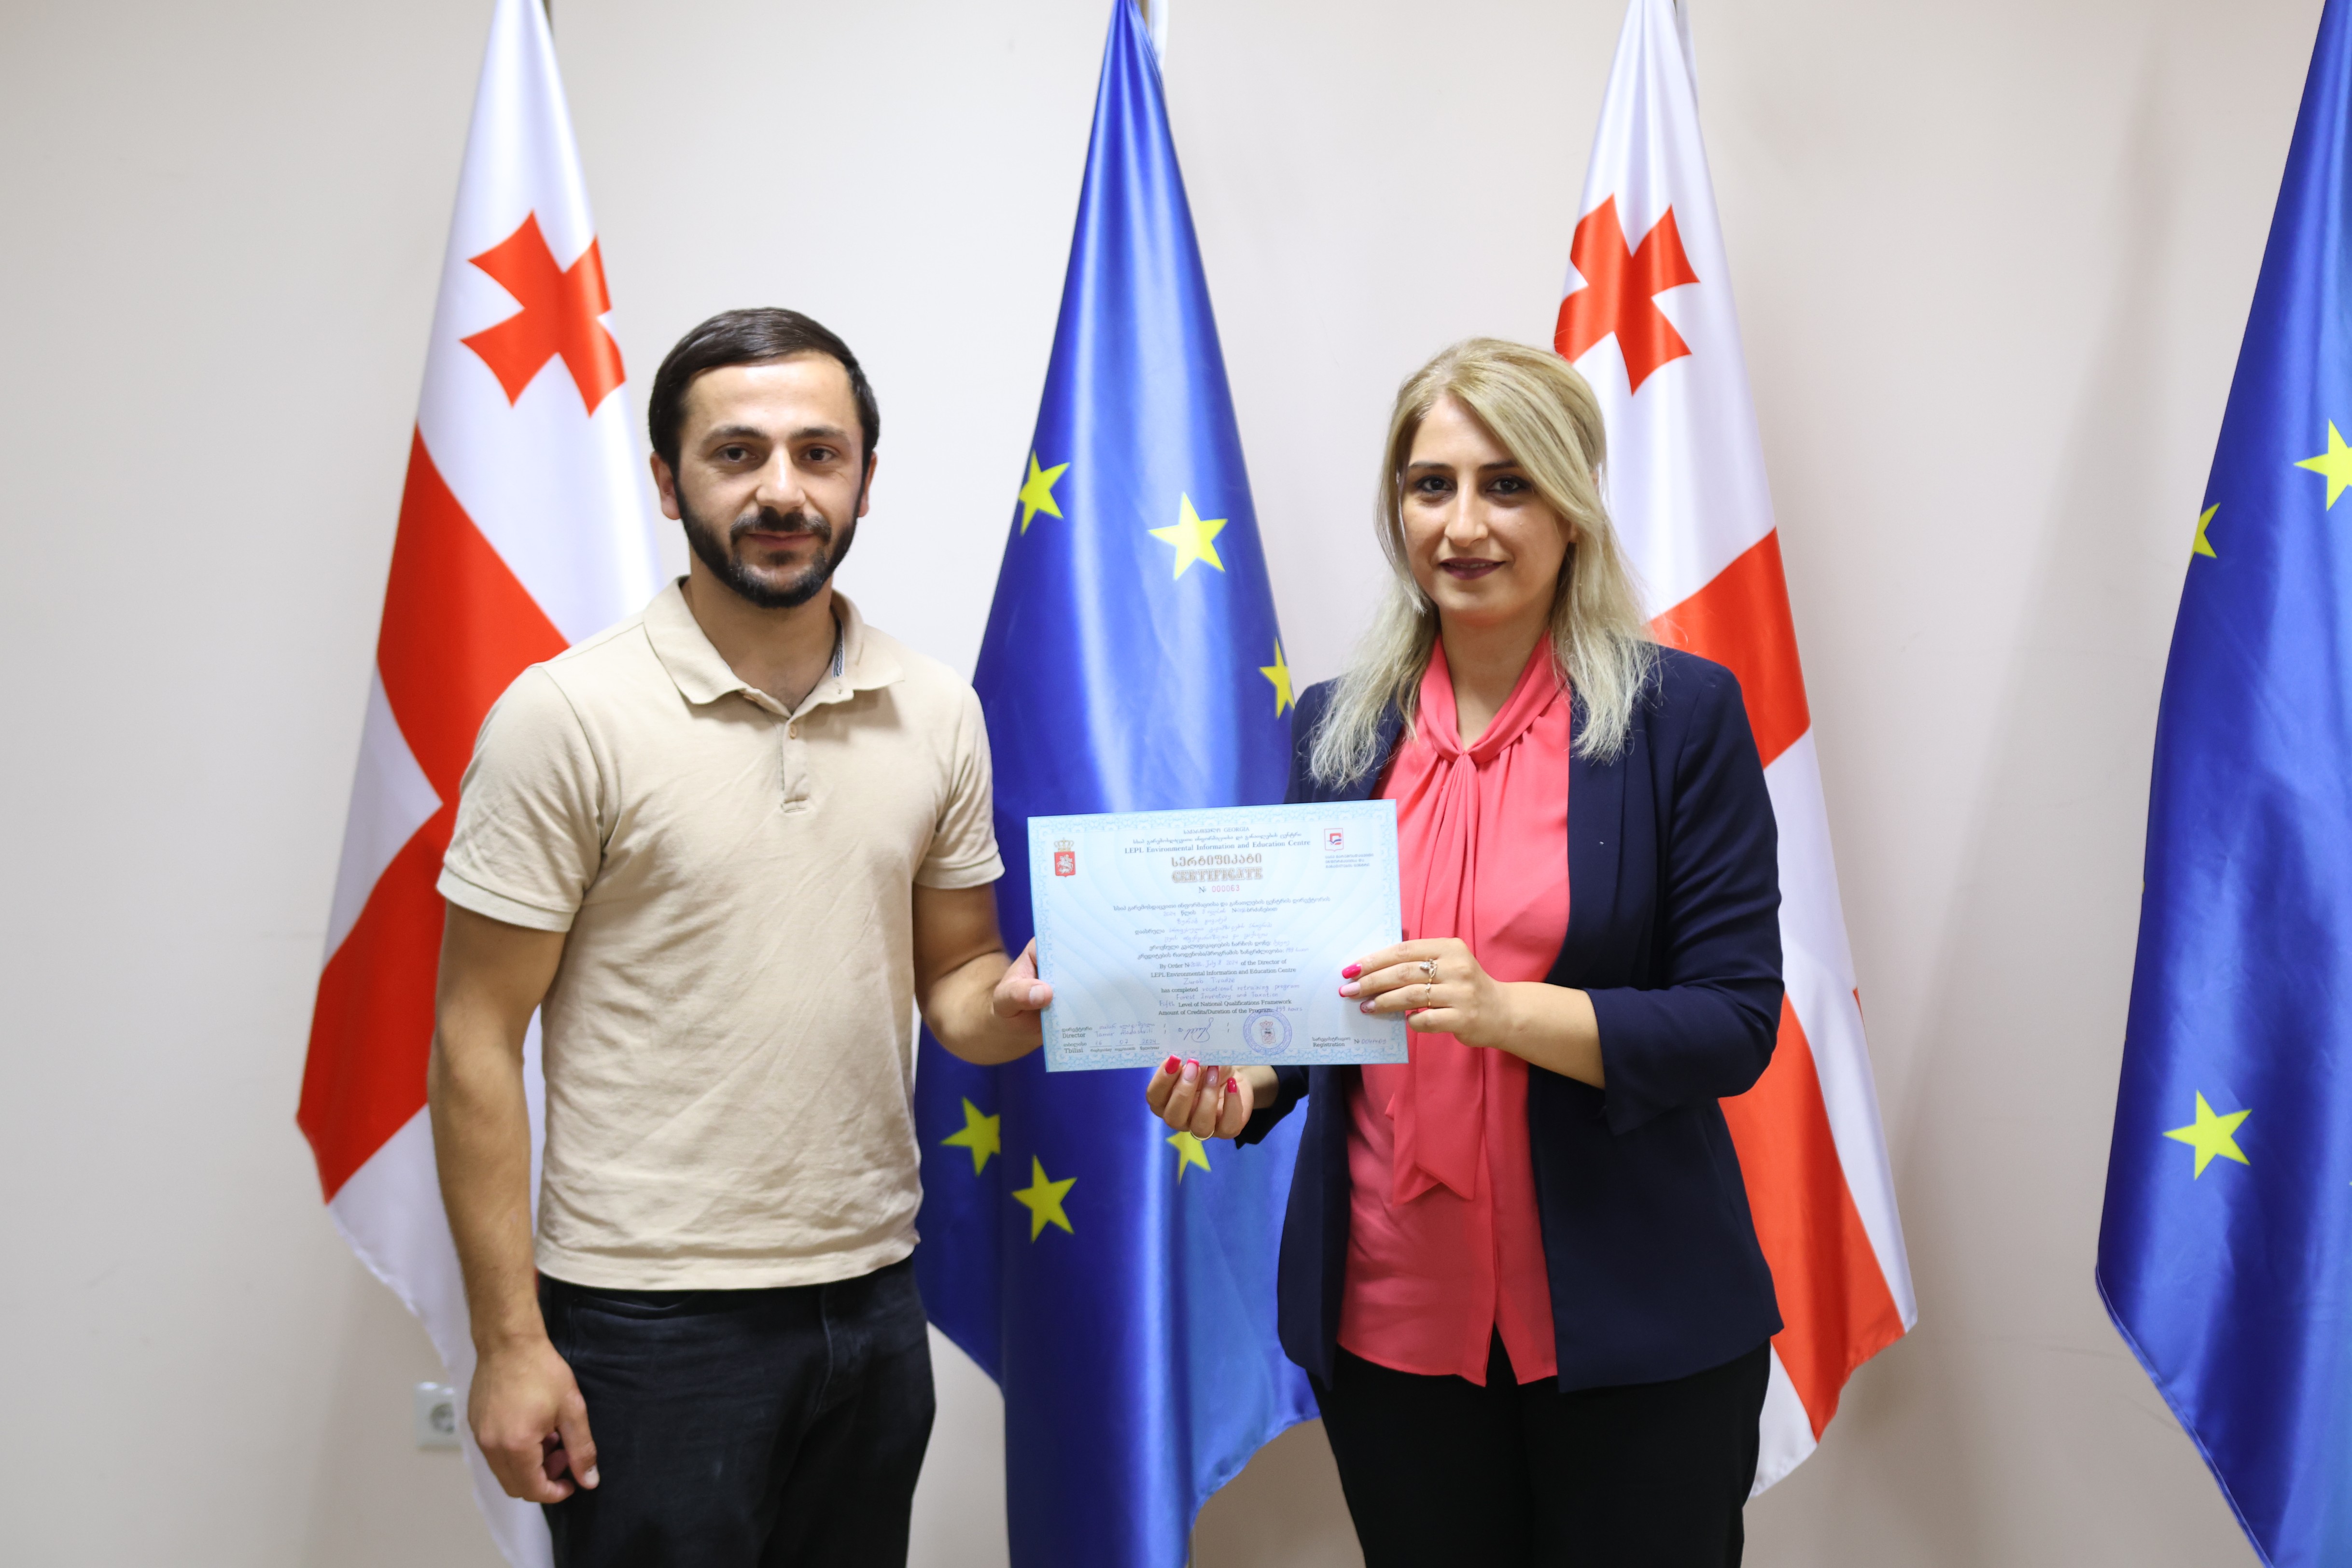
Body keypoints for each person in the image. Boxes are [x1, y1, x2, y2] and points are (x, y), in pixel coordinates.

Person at [428, 308, 1051, 1568]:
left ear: (865, 478)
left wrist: (1039, 1000)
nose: (782, 490)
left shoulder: (938, 710)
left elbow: (957, 981)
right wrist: (508, 1340)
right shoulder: (566, 716)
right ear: (669, 482)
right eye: (737, 453)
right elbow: (474, 1035)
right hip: (647, 1322)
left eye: (819, 454)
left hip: (873, 1300)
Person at [1146, 337, 1784, 1566]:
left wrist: (1506, 1011)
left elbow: (1733, 1022)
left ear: (1573, 506)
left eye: (1508, 485)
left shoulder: (1681, 717)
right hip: (1391, 1327)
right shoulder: (1334, 728)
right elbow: (1319, 1006)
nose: (1464, 524)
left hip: (1636, 1324)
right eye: (1431, 485)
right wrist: (1246, 1084)